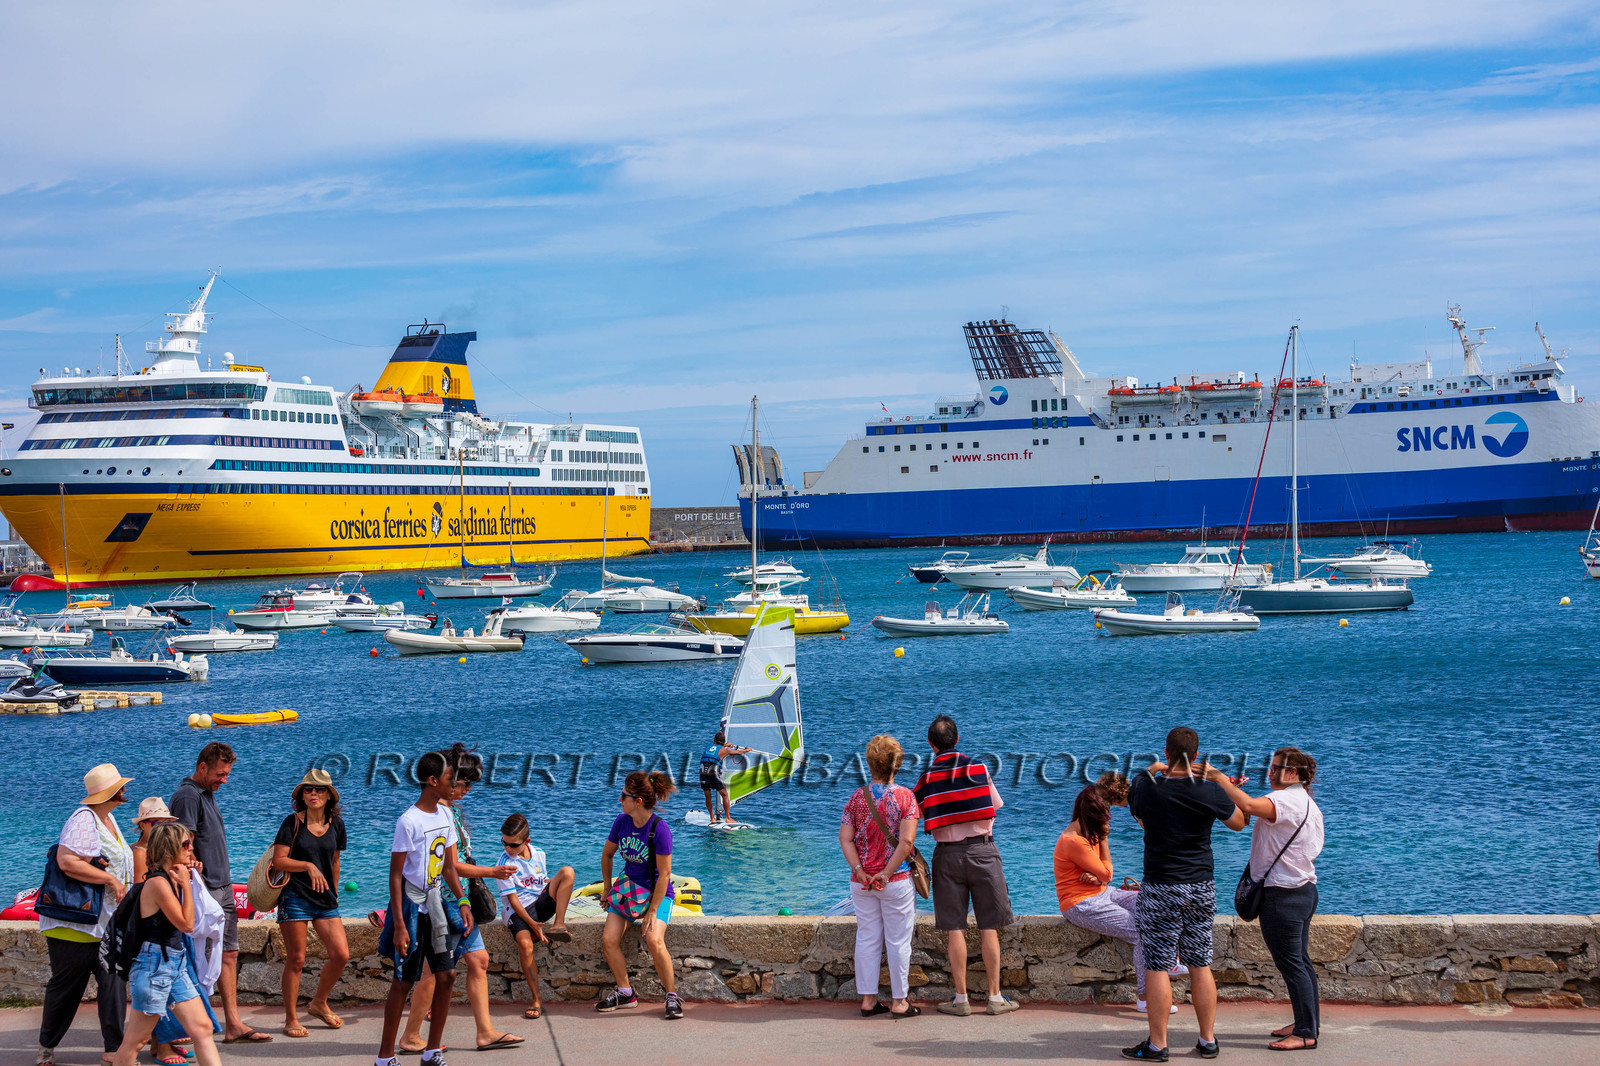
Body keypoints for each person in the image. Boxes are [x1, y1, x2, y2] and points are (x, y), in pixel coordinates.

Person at [1121, 727, 1247, 1063]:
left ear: (1166, 751)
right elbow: (1238, 823)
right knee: (1200, 962)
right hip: (1201, 885)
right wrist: (1222, 783)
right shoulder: (1209, 790)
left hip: (1161, 883)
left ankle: (1158, 1045)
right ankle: (1207, 1040)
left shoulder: (1147, 790)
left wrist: (1154, 769)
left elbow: (1136, 789)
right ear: (1196, 755)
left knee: (1158, 965)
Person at [398, 744, 522, 1053]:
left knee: (478, 960)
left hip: (457, 899)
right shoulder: (436, 814)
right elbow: (449, 865)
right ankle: (411, 1036)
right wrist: (493, 872)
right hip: (443, 901)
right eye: (463, 783)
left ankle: (485, 1032)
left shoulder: (449, 811)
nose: (467, 789)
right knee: (433, 970)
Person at [1205, 749, 1324, 1051]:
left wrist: (1218, 778)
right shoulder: (1306, 803)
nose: (1269, 774)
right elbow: (1246, 815)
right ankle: (1305, 1022)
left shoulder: (1285, 801)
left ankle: (1306, 1033)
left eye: (1276, 769)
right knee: (1301, 962)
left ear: (1293, 773)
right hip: (1303, 891)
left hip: (1282, 895)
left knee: (1293, 964)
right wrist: (1235, 794)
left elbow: (1247, 806)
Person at [911, 715, 1018, 1017]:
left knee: (955, 928)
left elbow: (917, 814)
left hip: (947, 855)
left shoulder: (927, 778)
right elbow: (994, 805)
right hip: (983, 852)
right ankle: (995, 997)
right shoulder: (979, 769)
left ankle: (961, 999)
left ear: (931, 744)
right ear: (957, 740)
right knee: (988, 926)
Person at [376, 751, 474, 1066]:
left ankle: (431, 1052)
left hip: (437, 906)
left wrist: (462, 900)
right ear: (432, 781)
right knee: (403, 982)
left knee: (446, 976)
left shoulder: (445, 816)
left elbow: (448, 868)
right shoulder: (409, 821)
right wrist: (401, 926)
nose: (454, 784)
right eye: (449, 779)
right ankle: (385, 1057)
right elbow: (395, 874)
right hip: (410, 908)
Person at [169, 742, 267, 1045]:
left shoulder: (206, 794)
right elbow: (183, 843)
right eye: (220, 774)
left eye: (227, 774)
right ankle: (190, 1024)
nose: (224, 779)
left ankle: (233, 1023)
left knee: (229, 954)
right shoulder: (188, 795)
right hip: (205, 887)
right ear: (202, 767)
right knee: (201, 957)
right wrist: (192, 872)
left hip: (222, 885)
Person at [37, 763, 133, 1066]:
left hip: (106, 922)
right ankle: (46, 1047)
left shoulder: (109, 820)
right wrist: (110, 879)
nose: (125, 789)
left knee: (113, 983)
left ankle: (113, 1050)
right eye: (121, 785)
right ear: (111, 792)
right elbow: (66, 861)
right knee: (68, 987)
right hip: (75, 923)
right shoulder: (83, 819)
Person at [108, 823, 221, 1066]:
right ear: (169, 849)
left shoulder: (170, 878)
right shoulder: (158, 883)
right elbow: (186, 924)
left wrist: (184, 880)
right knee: (135, 1042)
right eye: (185, 844)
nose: (191, 849)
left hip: (173, 963)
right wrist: (185, 885)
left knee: (202, 1028)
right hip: (153, 968)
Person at [1055, 785, 1167, 1014]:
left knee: (1155, 902)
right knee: (1141, 932)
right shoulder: (1074, 840)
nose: (1107, 822)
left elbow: (1103, 877)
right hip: (1080, 903)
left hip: (1101, 892)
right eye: (1103, 817)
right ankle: (1145, 997)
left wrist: (1098, 879)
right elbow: (1107, 873)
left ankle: (1172, 958)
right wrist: (1104, 839)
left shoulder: (1086, 831)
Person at [839, 735, 921, 1018]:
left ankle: (868, 1000)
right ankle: (900, 1002)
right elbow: (906, 843)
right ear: (896, 765)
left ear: (870, 764)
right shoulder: (905, 797)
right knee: (898, 942)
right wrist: (886, 873)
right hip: (894, 881)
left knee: (868, 937)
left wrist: (860, 871)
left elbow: (845, 839)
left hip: (862, 883)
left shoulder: (856, 798)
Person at [271, 768, 351, 1039]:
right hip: (295, 897)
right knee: (296, 959)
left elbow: (335, 861)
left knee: (341, 955)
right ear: (302, 796)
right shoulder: (291, 823)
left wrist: (335, 892)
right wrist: (307, 866)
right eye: (308, 789)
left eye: (319, 789)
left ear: (329, 795)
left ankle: (318, 1002)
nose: (313, 793)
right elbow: (279, 861)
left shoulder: (336, 824)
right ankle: (291, 1018)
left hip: (325, 899)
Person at [597, 770, 681, 1020]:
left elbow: (664, 875)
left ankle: (672, 997)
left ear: (638, 801)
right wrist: (606, 888)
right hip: (628, 891)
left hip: (658, 894)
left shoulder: (660, 828)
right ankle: (626, 993)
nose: (619, 800)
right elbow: (607, 855)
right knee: (608, 940)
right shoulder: (621, 822)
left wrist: (653, 911)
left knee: (654, 940)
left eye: (623, 796)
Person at [129, 798, 195, 1065]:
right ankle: (162, 1047)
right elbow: (138, 888)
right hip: (154, 944)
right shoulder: (142, 855)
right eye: (157, 823)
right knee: (149, 1016)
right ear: (144, 824)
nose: (162, 828)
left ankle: (162, 1045)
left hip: (168, 942)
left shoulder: (170, 864)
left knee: (175, 1011)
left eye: (166, 824)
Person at [496, 812, 577, 1020]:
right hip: (518, 910)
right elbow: (513, 901)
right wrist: (532, 924)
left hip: (538, 903)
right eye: (504, 842)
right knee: (525, 944)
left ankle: (559, 924)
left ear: (527, 841)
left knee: (567, 871)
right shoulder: (503, 863)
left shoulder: (539, 852)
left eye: (513, 845)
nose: (507, 848)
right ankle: (536, 998)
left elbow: (541, 881)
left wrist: (556, 884)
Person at [698, 730, 752, 825]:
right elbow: (738, 752)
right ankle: (728, 818)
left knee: (708, 796)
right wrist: (746, 750)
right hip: (713, 774)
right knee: (725, 795)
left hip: (703, 774)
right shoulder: (725, 750)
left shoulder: (708, 746)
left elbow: (717, 749)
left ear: (714, 740)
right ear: (723, 742)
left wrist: (725, 745)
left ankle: (712, 818)